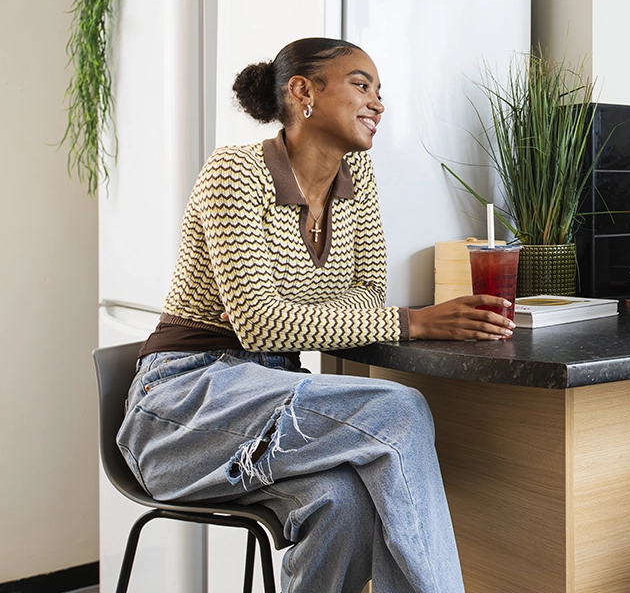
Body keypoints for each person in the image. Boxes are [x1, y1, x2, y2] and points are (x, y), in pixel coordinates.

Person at [118, 37, 515, 593]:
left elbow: (364, 300)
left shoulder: (358, 184)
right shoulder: (234, 173)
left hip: (270, 398)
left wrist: (340, 313)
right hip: (184, 408)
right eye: (361, 84)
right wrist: (414, 321)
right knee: (398, 411)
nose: (377, 102)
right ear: (303, 91)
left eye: (379, 91)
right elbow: (260, 321)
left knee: (344, 501)